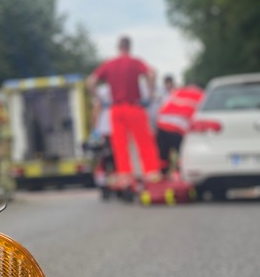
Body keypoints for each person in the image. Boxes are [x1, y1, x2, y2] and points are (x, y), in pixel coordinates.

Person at [86, 36, 162, 189]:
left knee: (120, 145)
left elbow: (91, 81)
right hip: (134, 107)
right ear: (130, 47)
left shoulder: (109, 64)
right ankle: (151, 173)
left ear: (118, 47)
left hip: (116, 109)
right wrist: (151, 91)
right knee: (144, 142)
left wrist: (97, 97)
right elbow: (152, 73)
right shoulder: (135, 62)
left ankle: (125, 176)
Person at [155, 84, 204, 175]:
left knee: (163, 154)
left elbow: (162, 105)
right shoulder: (202, 95)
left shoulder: (177, 92)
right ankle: (180, 174)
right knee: (182, 153)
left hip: (162, 123)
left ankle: (162, 175)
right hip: (179, 126)